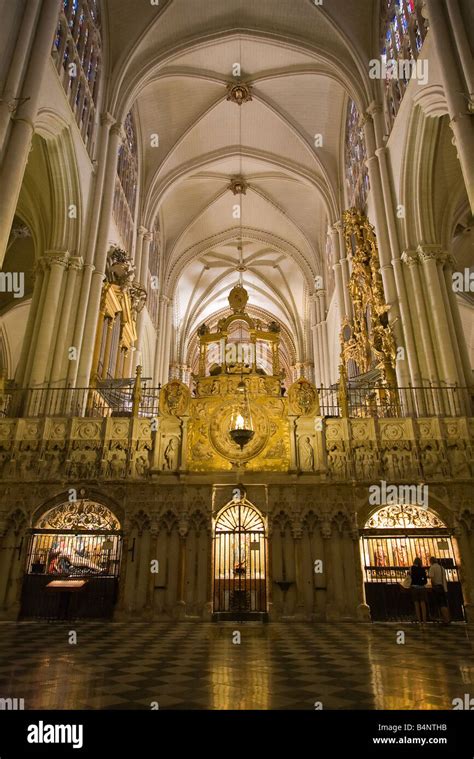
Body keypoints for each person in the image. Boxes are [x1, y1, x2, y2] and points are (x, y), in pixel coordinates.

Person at [428, 556, 450, 624]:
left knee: (439, 604)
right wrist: (445, 589)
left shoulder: (432, 567)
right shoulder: (441, 568)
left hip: (436, 587)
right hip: (442, 587)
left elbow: (431, 577)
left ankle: (444, 618)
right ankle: (447, 618)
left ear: (430, 562)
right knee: (444, 604)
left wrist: (433, 585)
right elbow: (444, 579)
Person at [410, 557, 428, 624]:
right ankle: (424, 620)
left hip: (414, 587)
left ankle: (419, 620)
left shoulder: (412, 568)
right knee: (423, 604)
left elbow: (409, 576)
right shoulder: (422, 569)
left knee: (416, 604)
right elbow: (425, 579)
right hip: (422, 587)